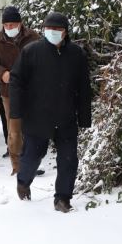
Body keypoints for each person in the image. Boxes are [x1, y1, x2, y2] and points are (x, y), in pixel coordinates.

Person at [10, 12, 91, 213]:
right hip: (37, 116)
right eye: (49, 29)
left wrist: (84, 116)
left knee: (68, 158)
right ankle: (23, 181)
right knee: (32, 155)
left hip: (66, 117)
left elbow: (84, 88)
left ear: (65, 33)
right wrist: (17, 110)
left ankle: (62, 198)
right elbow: (16, 81)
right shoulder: (31, 52)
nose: (53, 32)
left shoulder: (76, 55)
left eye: (57, 29)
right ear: (44, 30)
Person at [0, 6, 40, 173]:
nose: (9, 28)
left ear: (20, 24)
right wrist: (2, 74)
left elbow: (44, 58)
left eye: (12, 24)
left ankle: (31, 162)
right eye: (6, 25)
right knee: (14, 130)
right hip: (9, 92)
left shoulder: (33, 37)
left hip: (31, 91)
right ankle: (17, 166)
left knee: (31, 128)